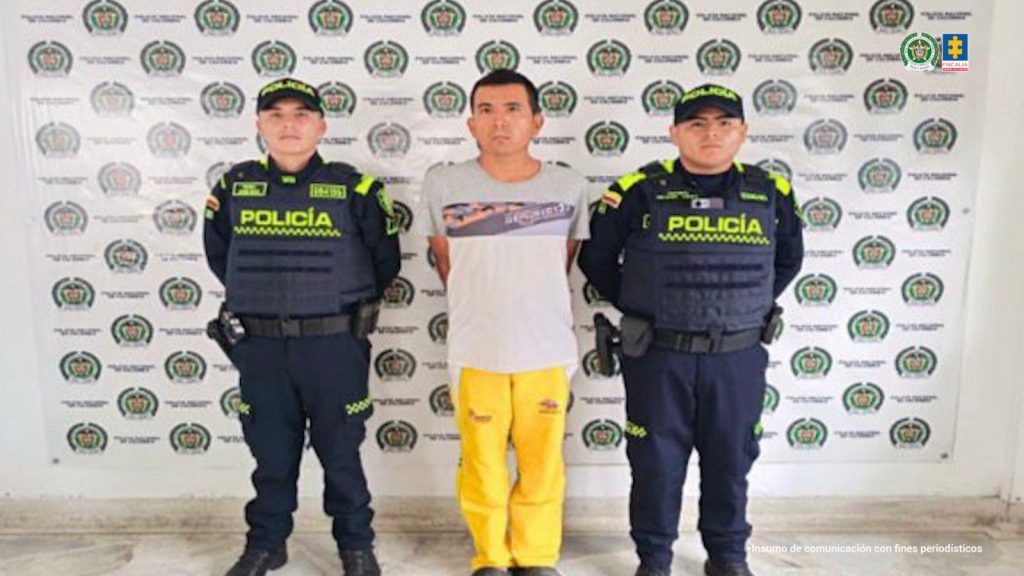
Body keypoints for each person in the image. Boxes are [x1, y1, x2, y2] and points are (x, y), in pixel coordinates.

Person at [578, 84, 804, 576]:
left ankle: (727, 557)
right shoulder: (638, 191)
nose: (711, 134)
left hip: (738, 356)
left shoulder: (771, 192)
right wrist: (640, 303)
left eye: (724, 124)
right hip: (659, 355)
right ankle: (654, 560)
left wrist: (745, 309)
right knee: (656, 467)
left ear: (742, 132)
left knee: (731, 463)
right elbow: (595, 259)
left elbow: (787, 260)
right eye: (697, 124)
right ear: (675, 132)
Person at [203, 77, 400, 576]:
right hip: (261, 346)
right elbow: (221, 258)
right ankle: (266, 545)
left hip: (333, 344)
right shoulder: (233, 186)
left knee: (341, 455)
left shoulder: (356, 189)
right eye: (275, 115)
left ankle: (356, 547)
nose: (288, 125)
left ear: (321, 125)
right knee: (270, 454)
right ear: (259, 125)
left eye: (300, 114)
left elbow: (384, 263)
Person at [421, 69, 590, 576]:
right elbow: (447, 263)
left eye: (513, 109)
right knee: (484, 466)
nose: (500, 122)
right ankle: (490, 558)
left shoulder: (568, 185)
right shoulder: (443, 183)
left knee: (542, 465)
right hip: (477, 351)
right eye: (487, 111)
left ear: (536, 121)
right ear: (471, 123)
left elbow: (562, 261)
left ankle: (536, 557)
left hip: (546, 350)